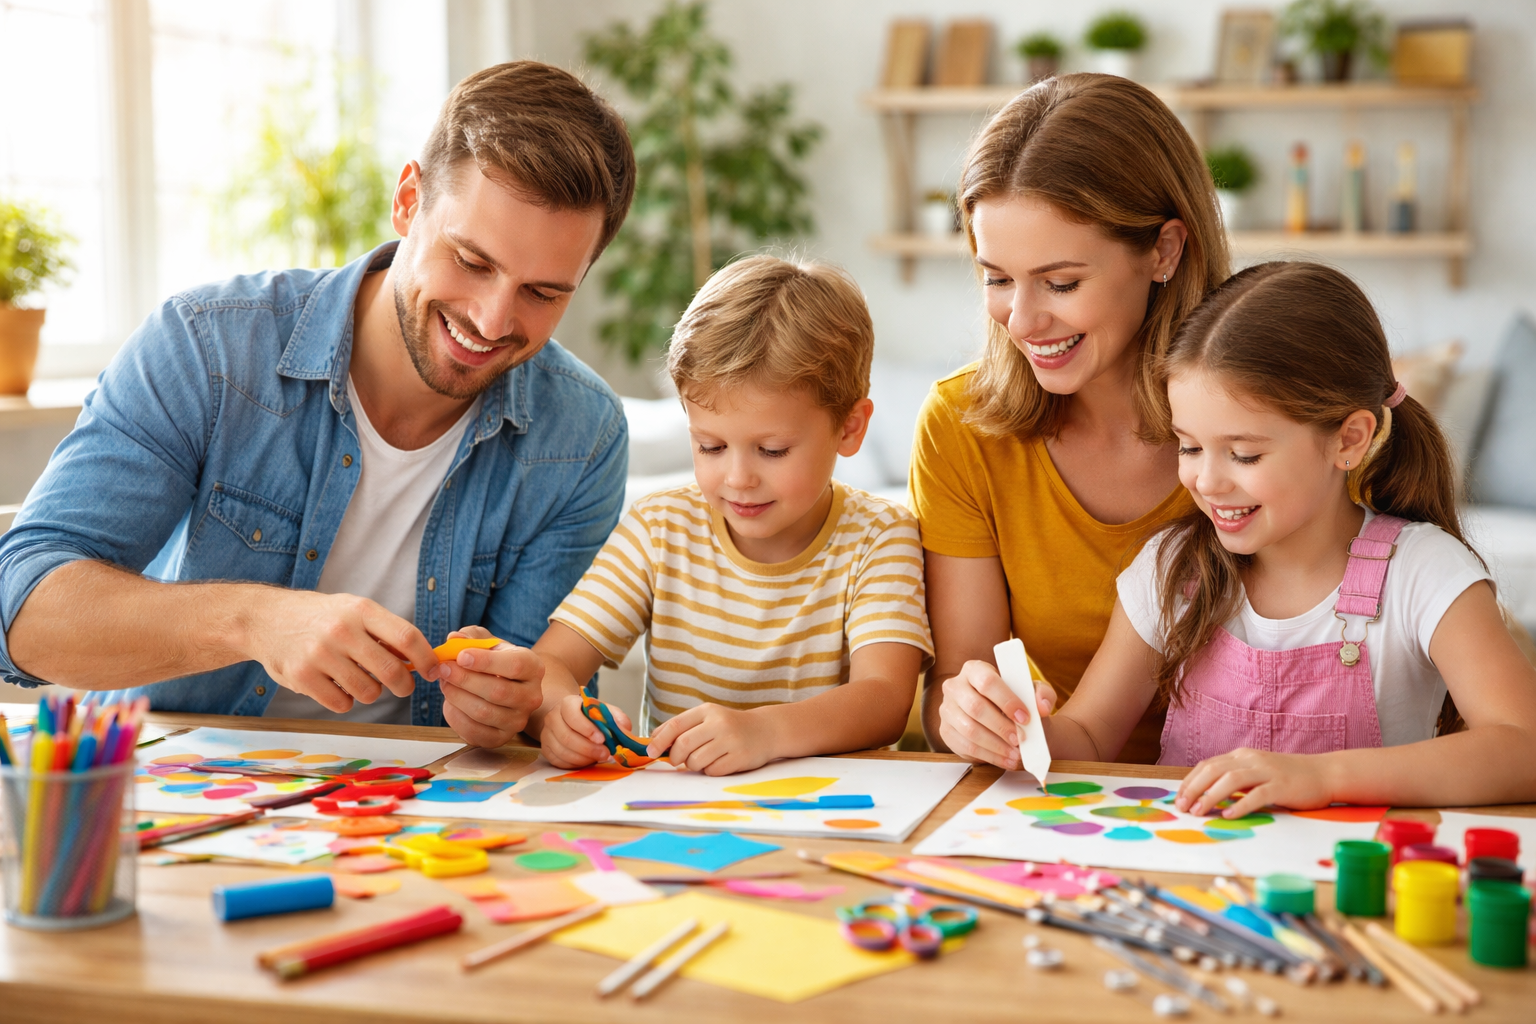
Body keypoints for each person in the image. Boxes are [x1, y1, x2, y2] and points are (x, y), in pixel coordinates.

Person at [0, 62, 636, 747]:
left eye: (543, 293)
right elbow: (22, 612)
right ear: (408, 201)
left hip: (420, 822)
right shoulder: (206, 348)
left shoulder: (583, 435)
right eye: (472, 261)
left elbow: (543, 692)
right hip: (188, 794)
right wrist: (256, 622)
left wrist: (518, 705)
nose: (490, 318)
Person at [1031, 261, 1536, 815]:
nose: (1206, 480)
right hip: (1192, 879)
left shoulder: (1424, 573)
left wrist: (1323, 777)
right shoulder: (1172, 568)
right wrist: (1018, 734)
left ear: (1349, 439)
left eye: (1244, 454)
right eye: (1189, 447)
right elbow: (1087, 737)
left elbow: (1523, 746)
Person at [918, 74, 1229, 767]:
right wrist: (969, 716)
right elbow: (954, 693)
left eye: (1061, 283)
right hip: (1056, 807)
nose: (1023, 321)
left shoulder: (1272, 429)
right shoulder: (961, 428)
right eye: (997, 278)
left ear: (1164, 252)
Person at [521, 255, 933, 775]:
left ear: (850, 428)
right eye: (711, 447)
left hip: (832, 814)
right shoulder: (660, 528)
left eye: (773, 450)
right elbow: (552, 664)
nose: (738, 478)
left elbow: (885, 700)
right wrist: (561, 715)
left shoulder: (881, 537)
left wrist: (765, 731)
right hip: (678, 817)